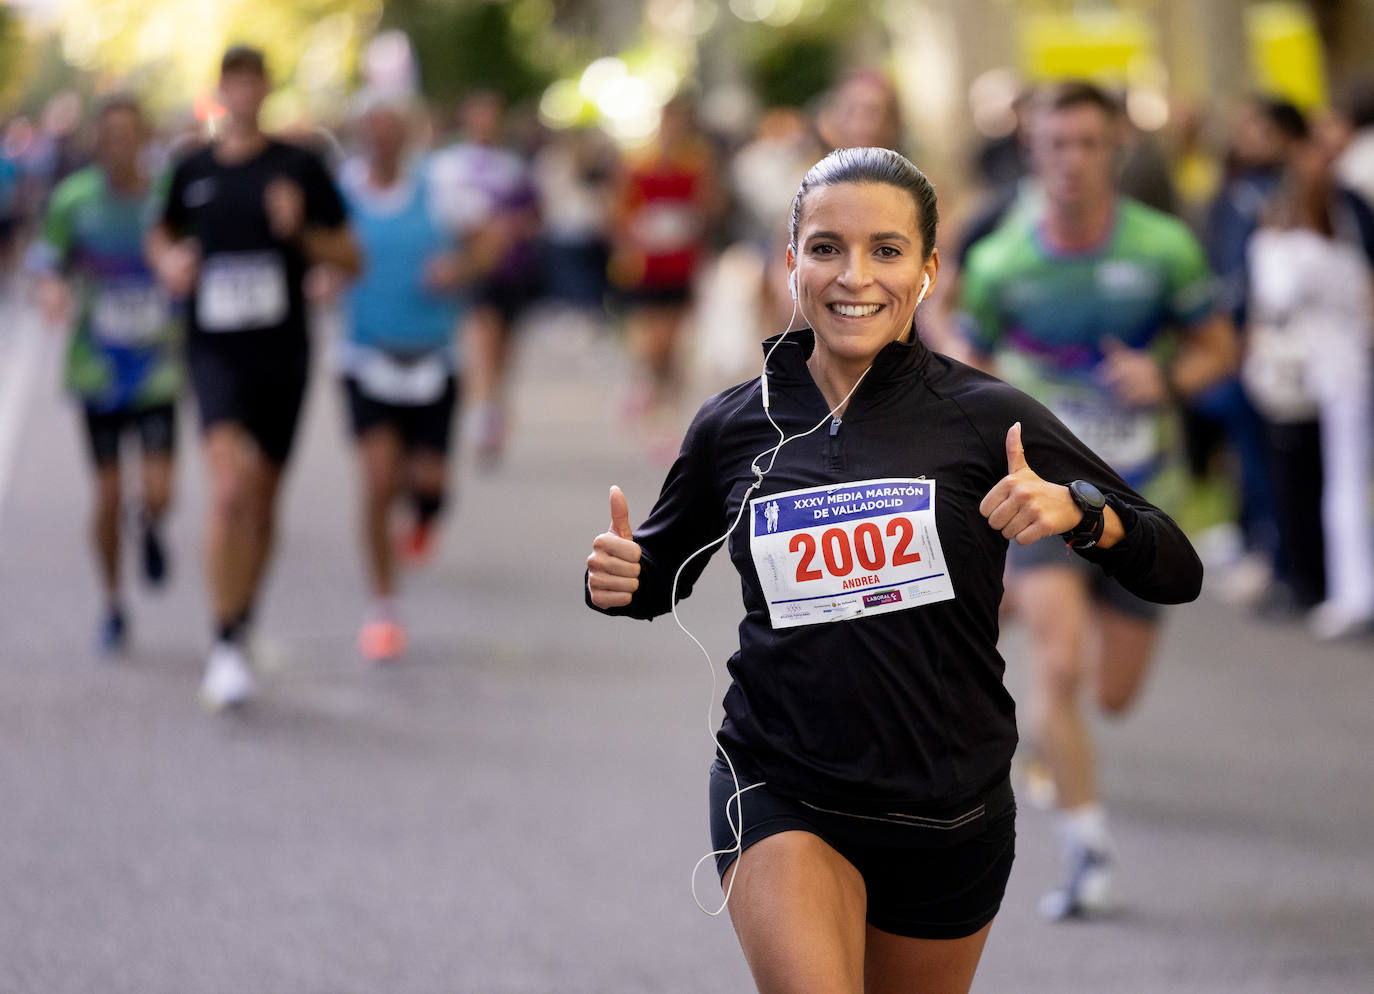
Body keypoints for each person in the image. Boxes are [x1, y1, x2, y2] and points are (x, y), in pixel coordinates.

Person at [585, 145, 1203, 993]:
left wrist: (1082, 514)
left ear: (928, 270)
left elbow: (1176, 566)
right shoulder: (735, 423)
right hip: (781, 789)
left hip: (950, 812)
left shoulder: (987, 418)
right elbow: (658, 574)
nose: (855, 277)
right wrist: (620, 580)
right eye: (828, 247)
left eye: (887, 250)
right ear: (790, 258)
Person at [957, 80, 1236, 919]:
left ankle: (1051, 721)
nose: (1072, 160)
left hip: (1145, 497)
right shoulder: (1001, 258)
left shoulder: (1164, 249)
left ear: (1113, 148)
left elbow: (1218, 346)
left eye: (1087, 142)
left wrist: (1168, 376)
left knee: (1112, 692)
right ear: (1030, 150)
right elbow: (960, 354)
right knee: (1062, 662)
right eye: (1055, 144)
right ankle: (1086, 847)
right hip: (1045, 498)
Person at [147, 45, 361, 710]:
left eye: (253, 82)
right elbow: (161, 235)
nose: (242, 93)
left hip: (282, 353)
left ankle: (242, 616)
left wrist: (300, 232)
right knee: (229, 488)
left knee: (263, 501)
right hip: (214, 351)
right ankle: (223, 641)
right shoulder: (192, 167)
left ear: (265, 89)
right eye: (231, 83)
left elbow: (351, 256)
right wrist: (169, 263)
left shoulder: (299, 166)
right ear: (221, 90)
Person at [337, 89, 500, 661]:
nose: (381, 137)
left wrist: (458, 266)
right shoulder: (342, 194)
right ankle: (383, 608)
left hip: (433, 358)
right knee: (378, 482)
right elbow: (317, 246)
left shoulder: (439, 190)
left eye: (391, 127)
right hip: (365, 357)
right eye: (372, 128)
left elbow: (490, 239)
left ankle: (426, 514)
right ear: (360, 134)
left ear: (406, 135)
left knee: (427, 483)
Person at [29, 95, 181, 656]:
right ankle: (114, 603)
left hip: (159, 367)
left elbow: (196, 250)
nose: (120, 145)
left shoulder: (168, 197)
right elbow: (46, 258)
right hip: (96, 369)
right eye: (110, 134)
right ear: (99, 140)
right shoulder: (75, 200)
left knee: (161, 492)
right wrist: (49, 288)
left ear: (145, 138)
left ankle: (153, 526)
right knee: (109, 495)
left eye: (131, 134)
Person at [429, 90, 540, 467]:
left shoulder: (513, 166)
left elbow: (533, 215)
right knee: (484, 341)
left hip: (512, 271)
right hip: (473, 271)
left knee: (504, 351)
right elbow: (438, 219)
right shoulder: (446, 165)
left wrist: (511, 228)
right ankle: (483, 416)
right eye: (478, 114)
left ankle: (494, 408)